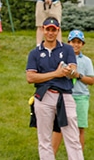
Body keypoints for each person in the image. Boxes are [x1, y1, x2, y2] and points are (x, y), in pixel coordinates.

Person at [26, 17, 83, 160]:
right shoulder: (35, 53)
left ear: (58, 31)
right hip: (43, 97)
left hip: (65, 96)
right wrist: (56, 74)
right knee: (44, 139)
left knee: (73, 138)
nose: (50, 33)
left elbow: (73, 70)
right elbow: (30, 77)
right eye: (48, 29)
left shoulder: (67, 49)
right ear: (43, 30)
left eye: (54, 30)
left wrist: (69, 72)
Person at [52, 30, 94, 156]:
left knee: (79, 128)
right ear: (68, 42)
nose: (75, 45)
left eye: (78, 42)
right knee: (59, 127)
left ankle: (77, 156)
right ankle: (50, 155)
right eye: (73, 42)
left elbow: (91, 80)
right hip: (64, 96)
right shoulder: (62, 58)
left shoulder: (86, 61)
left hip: (81, 97)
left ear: (82, 44)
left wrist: (78, 75)